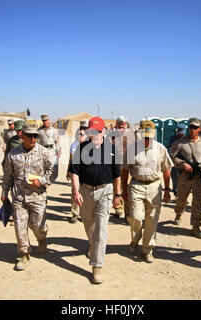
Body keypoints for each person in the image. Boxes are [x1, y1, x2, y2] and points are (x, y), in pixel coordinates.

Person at [70, 116, 121, 284]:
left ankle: (97, 266)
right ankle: (92, 244)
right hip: (85, 191)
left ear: (104, 132)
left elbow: (117, 175)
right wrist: (76, 191)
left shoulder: (112, 150)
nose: (96, 135)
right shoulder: (81, 148)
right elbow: (75, 171)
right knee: (89, 224)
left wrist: (118, 195)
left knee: (101, 229)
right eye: (92, 132)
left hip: (105, 191)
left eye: (98, 132)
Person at [1, 125, 56, 271]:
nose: (32, 138)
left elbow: (53, 171)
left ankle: (42, 237)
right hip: (19, 197)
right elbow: (7, 175)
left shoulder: (44, 153)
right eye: (29, 135)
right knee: (20, 227)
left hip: (38, 197)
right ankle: (24, 254)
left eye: (35, 136)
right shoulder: (13, 154)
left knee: (37, 226)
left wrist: (43, 181)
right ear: (22, 136)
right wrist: (4, 192)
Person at [122, 120, 173, 263]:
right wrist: (124, 190)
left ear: (154, 135)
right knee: (136, 217)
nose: (147, 140)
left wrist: (167, 190)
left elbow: (166, 170)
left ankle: (147, 250)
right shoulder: (132, 149)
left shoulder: (160, 149)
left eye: (150, 137)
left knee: (152, 220)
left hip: (154, 188)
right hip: (136, 186)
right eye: (145, 137)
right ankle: (135, 238)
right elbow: (125, 170)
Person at [170, 118, 201, 238]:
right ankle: (178, 213)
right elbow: (172, 155)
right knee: (181, 199)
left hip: (198, 177)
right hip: (185, 176)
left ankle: (196, 226)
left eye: (195, 127)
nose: (192, 130)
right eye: (191, 127)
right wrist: (182, 164)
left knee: (197, 202)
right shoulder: (181, 142)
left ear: (200, 129)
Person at [111, 115, 136, 220]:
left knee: (127, 188)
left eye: (123, 123)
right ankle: (118, 210)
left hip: (127, 166)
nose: (121, 125)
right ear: (116, 124)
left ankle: (127, 212)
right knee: (116, 188)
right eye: (119, 123)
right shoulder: (111, 136)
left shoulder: (131, 135)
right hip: (115, 165)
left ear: (126, 124)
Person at [66, 121, 88, 223]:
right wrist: (68, 171)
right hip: (76, 172)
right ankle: (75, 214)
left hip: (87, 173)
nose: (80, 136)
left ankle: (83, 214)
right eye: (78, 134)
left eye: (82, 134)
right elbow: (70, 160)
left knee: (86, 193)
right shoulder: (73, 145)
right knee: (75, 192)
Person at [37, 114, 61, 179]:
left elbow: (57, 141)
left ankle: (50, 179)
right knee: (43, 167)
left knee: (53, 167)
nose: (45, 122)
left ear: (49, 120)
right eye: (44, 120)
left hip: (52, 150)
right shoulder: (39, 130)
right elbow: (36, 141)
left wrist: (59, 150)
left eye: (46, 120)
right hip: (43, 150)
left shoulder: (53, 130)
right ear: (42, 121)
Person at [168, 123, 188, 197]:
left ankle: (183, 196)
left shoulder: (187, 139)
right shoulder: (173, 139)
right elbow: (170, 152)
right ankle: (177, 195)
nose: (182, 135)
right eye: (181, 133)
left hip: (185, 164)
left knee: (185, 182)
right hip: (175, 164)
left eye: (183, 134)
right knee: (175, 180)